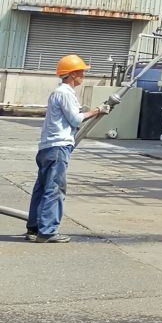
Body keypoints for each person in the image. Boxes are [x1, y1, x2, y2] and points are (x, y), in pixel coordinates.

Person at [26, 54, 107, 244]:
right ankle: (47, 231)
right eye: (81, 72)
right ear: (72, 74)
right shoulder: (65, 93)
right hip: (58, 147)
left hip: (47, 147)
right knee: (55, 189)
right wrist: (97, 110)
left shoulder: (59, 93)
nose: (83, 76)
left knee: (42, 188)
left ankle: (34, 228)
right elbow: (76, 119)